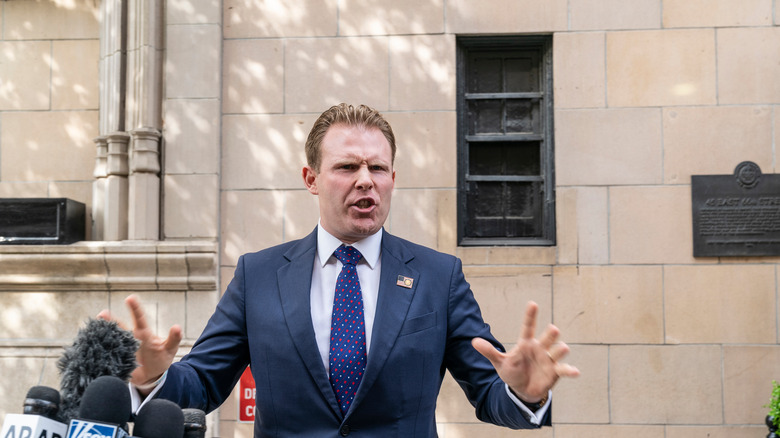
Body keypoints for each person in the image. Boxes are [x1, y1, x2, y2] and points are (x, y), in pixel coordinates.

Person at [103, 103, 579, 437]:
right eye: (347, 166)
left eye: (378, 167)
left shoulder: (438, 277)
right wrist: (152, 377)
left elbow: (492, 397)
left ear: (394, 178)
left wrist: (524, 395)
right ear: (310, 179)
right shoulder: (258, 275)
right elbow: (202, 385)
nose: (366, 180)